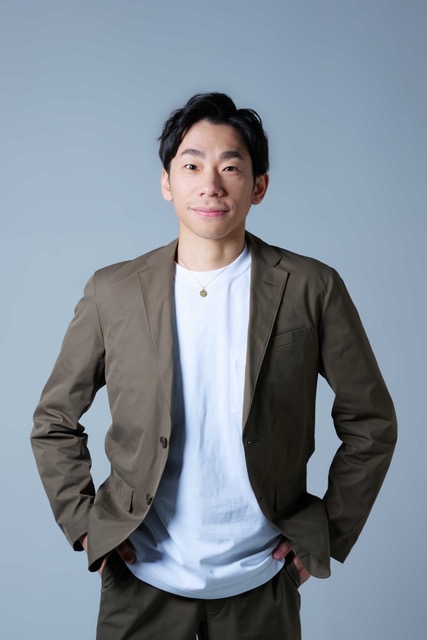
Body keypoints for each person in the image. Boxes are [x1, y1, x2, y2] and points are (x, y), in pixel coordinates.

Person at [31, 92, 397, 640]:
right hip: (141, 577)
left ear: (259, 185)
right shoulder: (114, 291)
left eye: (230, 167)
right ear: (166, 182)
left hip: (263, 579)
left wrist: (327, 532)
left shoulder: (311, 287)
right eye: (191, 165)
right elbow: (54, 420)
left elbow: (371, 421)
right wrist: (87, 527)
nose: (211, 184)